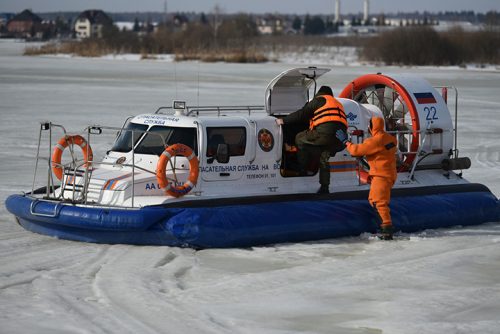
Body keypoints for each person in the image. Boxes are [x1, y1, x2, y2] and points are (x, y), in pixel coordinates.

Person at [276, 86, 348, 194]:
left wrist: (283, 120)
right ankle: (325, 187)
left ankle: (302, 169)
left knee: (299, 138)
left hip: (324, 135)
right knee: (324, 157)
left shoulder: (319, 100)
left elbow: (302, 114)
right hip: (340, 141)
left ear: (319, 93)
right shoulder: (338, 103)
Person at [336, 116, 397, 240]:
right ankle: (385, 229)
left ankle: (387, 232)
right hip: (389, 174)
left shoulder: (374, 141)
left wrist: (345, 141)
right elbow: (379, 152)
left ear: (371, 127)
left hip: (381, 175)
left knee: (378, 202)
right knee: (374, 200)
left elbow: (356, 150)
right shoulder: (390, 138)